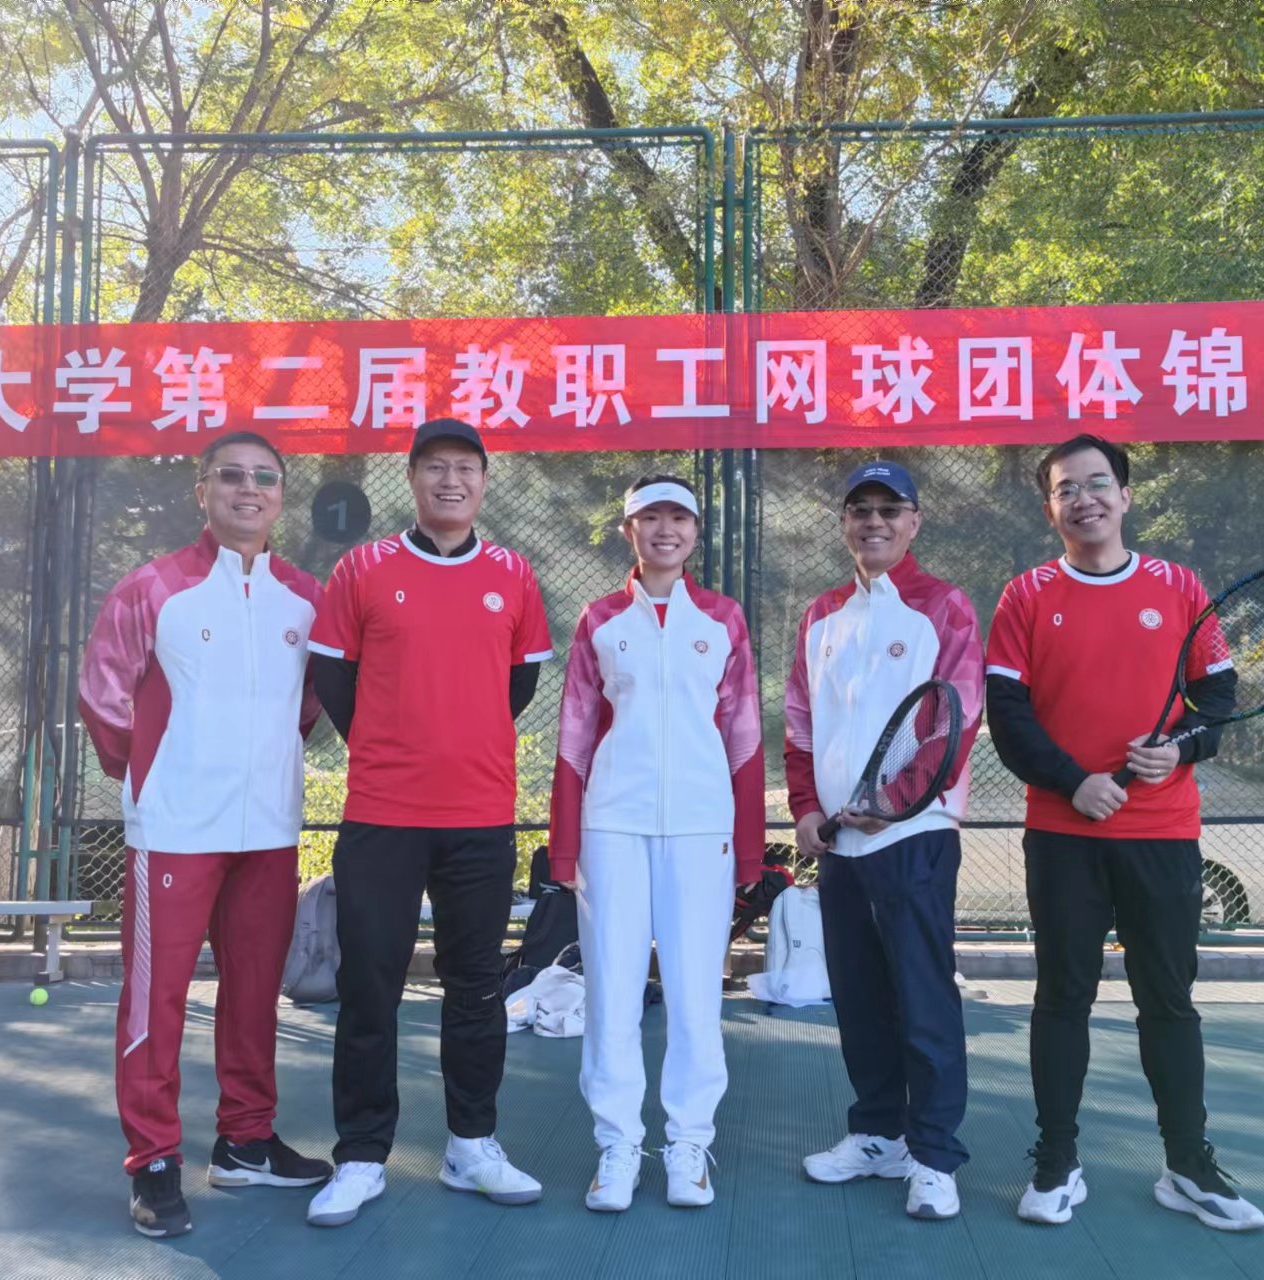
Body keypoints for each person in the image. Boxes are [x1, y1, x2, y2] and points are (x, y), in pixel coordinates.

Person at [984, 433, 1264, 1232]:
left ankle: (1187, 1165)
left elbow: (1218, 700)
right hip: (1063, 834)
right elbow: (1007, 715)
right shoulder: (1025, 595)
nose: (1085, 499)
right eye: (1067, 488)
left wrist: (1178, 748)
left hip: (1163, 833)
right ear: (1050, 509)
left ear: (1126, 496)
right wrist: (1075, 781)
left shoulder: (1179, 587)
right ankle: (1056, 1162)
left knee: (1167, 1001)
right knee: (1061, 998)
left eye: (1098, 483)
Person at [77, 429, 334, 1240]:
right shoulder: (153, 589)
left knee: (255, 990)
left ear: (282, 496)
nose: (248, 489)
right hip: (175, 828)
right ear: (202, 491)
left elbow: (309, 704)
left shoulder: (306, 598)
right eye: (230, 476)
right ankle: (153, 1158)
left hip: (270, 830)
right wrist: (153, 779)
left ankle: (246, 1141)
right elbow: (104, 697)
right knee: (156, 1000)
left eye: (265, 478)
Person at [303, 418, 554, 1227]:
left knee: (475, 987)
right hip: (382, 815)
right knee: (368, 986)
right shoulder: (363, 568)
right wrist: (391, 744)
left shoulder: (513, 574)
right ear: (411, 480)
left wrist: (460, 738)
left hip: (481, 816)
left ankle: (471, 1145)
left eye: (466, 469)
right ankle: (361, 1154)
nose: (451, 481)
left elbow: (517, 686)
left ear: (484, 482)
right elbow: (334, 677)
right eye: (435, 468)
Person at [547, 473, 764, 1213]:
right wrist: (566, 846)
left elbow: (743, 736)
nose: (665, 530)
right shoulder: (600, 619)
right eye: (650, 518)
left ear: (696, 532)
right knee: (611, 990)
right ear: (628, 531)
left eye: (679, 518)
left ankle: (689, 1143)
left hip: (701, 829)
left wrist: (750, 848)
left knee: (696, 994)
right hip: (612, 825)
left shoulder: (724, 619)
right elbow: (574, 737)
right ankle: (617, 1145)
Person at [788, 460, 984, 1221]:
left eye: (889, 509)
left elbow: (955, 722)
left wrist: (894, 803)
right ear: (844, 523)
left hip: (916, 837)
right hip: (840, 845)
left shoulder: (946, 607)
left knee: (923, 997)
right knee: (860, 999)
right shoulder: (820, 614)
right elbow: (801, 724)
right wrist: (808, 808)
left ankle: (933, 1156)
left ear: (914, 522)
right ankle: (879, 1134)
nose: (874, 521)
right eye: (860, 509)